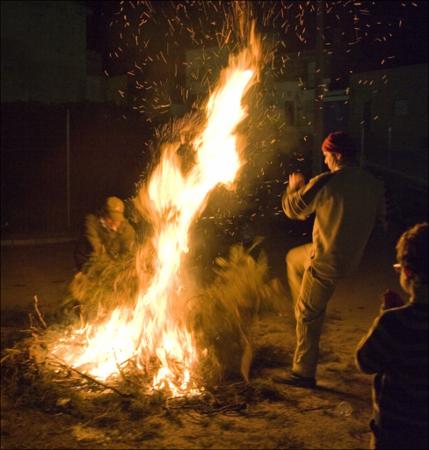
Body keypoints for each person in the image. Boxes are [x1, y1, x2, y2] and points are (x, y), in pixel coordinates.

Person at [277, 131, 385, 388]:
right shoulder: (373, 184)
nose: (325, 161)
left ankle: (303, 372)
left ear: (336, 155)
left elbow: (295, 209)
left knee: (308, 313)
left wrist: (293, 189)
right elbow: (384, 217)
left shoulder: (327, 182)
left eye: (327, 156)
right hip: (350, 258)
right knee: (293, 258)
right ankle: (304, 310)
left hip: (326, 260)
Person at [355, 222, 428, 450]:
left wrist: (386, 316)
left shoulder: (395, 323)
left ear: (406, 272)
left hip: (396, 431)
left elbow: (366, 362)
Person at [74, 196, 136, 272]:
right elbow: (97, 249)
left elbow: (127, 254)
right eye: (111, 219)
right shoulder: (91, 222)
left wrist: (119, 268)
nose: (114, 223)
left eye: (117, 220)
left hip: (111, 263)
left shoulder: (127, 230)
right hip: (88, 261)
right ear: (103, 214)